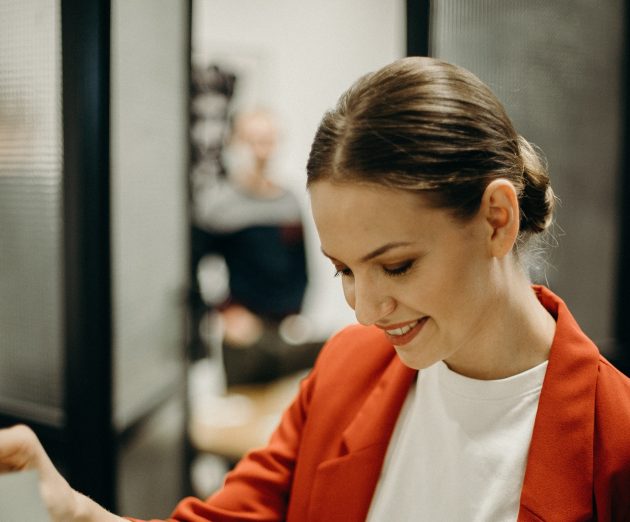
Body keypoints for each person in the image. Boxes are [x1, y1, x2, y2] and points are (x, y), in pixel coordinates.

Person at [1, 56, 629, 521]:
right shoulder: (347, 372)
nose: (366, 313)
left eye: (398, 266)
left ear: (497, 218)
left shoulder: (616, 442)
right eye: (345, 271)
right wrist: (70, 511)